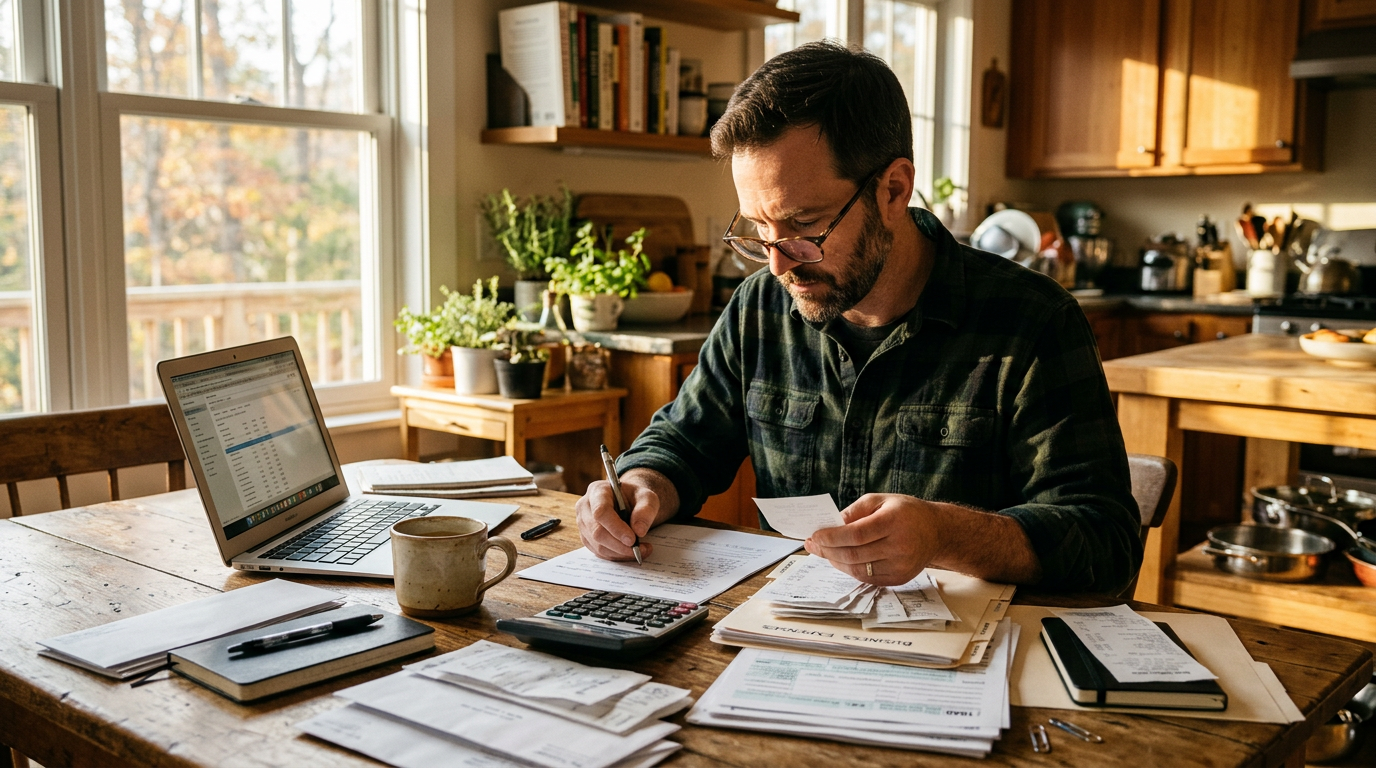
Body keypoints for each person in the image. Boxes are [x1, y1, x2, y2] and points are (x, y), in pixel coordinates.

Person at [575, 41, 1142, 594]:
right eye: (758, 229)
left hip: (968, 663)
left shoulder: (1032, 323)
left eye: (804, 225)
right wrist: (637, 487)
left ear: (893, 190)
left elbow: (1106, 541)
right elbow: (683, 443)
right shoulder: (759, 310)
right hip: (789, 636)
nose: (777, 264)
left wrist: (946, 534)